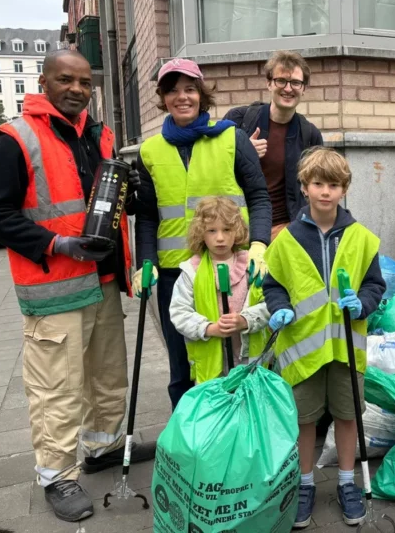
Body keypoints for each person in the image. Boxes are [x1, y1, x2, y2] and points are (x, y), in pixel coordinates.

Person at [0, 50, 155, 523]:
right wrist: (57, 243)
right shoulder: (16, 139)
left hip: (103, 281)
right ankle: (57, 475)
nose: (77, 89)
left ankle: (104, 448)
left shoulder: (99, 136)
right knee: (56, 388)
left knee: (107, 375)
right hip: (54, 287)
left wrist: (134, 192)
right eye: (65, 80)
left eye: (83, 82)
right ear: (44, 83)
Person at [135, 58, 272, 408]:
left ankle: (236, 423)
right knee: (182, 365)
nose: (182, 97)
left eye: (190, 89)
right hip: (176, 272)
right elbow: (147, 216)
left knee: (234, 358)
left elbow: (259, 196)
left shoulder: (231, 138)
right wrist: (145, 262)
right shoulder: (149, 151)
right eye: (173, 91)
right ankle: (188, 431)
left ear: (202, 94)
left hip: (231, 266)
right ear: (163, 98)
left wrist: (259, 244)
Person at [262, 147, 386, 528]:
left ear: (344, 189)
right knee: (304, 420)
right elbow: (273, 284)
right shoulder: (286, 240)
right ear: (304, 187)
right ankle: (304, 484)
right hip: (302, 350)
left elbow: (374, 285)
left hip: (346, 350)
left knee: (347, 417)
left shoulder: (362, 238)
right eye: (318, 184)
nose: (326, 191)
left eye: (333, 185)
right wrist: (278, 307)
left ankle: (347, 483)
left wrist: (363, 304)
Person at [224, 51, 323, 241]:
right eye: (281, 81)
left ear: (303, 88)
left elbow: (320, 186)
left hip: (284, 230)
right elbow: (214, 167)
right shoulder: (238, 120)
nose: (288, 88)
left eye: (295, 82)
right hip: (237, 228)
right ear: (269, 83)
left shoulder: (310, 135)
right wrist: (243, 152)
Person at [170, 196, 270, 379]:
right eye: (211, 231)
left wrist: (245, 320)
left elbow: (269, 303)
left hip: (250, 364)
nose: (220, 238)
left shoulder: (252, 266)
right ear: (201, 233)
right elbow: (179, 312)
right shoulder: (192, 271)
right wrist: (209, 328)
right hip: (211, 367)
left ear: (237, 230)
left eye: (227, 229)